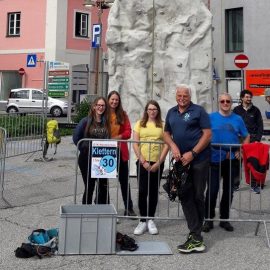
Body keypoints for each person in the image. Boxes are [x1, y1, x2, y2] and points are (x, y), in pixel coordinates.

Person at [164, 84, 212, 253]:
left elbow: (207, 134)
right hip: (181, 162)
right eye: (179, 95)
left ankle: (196, 235)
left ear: (190, 97)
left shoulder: (199, 111)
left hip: (199, 160)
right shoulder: (171, 112)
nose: (182, 98)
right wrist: (173, 147)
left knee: (198, 195)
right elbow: (166, 133)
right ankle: (195, 234)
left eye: (185, 95)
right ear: (176, 96)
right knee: (184, 195)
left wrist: (193, 152)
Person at [202, 93, 250, 233]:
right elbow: (203, 135)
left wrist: (241, 151)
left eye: (227, 101)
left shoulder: (238, 119)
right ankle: (208, 219)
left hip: (232, 160)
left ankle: (224, 219)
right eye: (222, 101)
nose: (225, 103)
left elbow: (246, 136)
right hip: (214, 158)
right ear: (219, 102)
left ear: (231, 103)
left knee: (229, 192)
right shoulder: (210, 118)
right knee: (212, 191)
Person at [133, 100, 169, 235]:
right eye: (150, 109)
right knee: (142, 190)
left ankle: (151, 219)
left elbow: (167, 144)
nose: (152, 111)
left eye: (154, 109)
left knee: (153, 191)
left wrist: (159, 163)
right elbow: (135, 143)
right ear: (146, 111)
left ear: (158, 111)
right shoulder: (140, 124)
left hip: (157, 162)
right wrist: (143, 161)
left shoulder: (163, 125)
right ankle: (142, 220)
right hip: (143, 162)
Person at [73, 97, 111, 204]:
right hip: (86, 158)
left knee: (103, 186)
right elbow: (76, 137)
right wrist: (84, 148)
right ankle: (86, 210)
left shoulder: (107, 122)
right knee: (89, 186)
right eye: (98, 105)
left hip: (102, 159)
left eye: (103, 105)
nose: (100, 107)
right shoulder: (85, 121)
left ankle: (101, 209)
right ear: (94, 106)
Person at [107, 91, 136, 216]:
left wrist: (117, 137)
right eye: (112, 99)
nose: (114, 102)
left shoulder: (122, 115)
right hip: (105, 151)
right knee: (103, 181)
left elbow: (128, 132)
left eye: (116, 100)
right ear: (108, 100)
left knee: (124, 181)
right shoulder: (103, 113)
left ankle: (129, 208)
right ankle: (104, 207)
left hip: (120, 150)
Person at [233, 89, 263, 193]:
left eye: (250, 97)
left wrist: (257, 140)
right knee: (237, 163)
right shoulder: (236, 110)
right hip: (239, 141)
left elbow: (260, 126)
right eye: (246, 97)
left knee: (253, 163)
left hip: (253, 141)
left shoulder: (256, 110)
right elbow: (233, 125)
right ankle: (235, 185)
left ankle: (254, 185)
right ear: (242, 98)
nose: (248, 99)